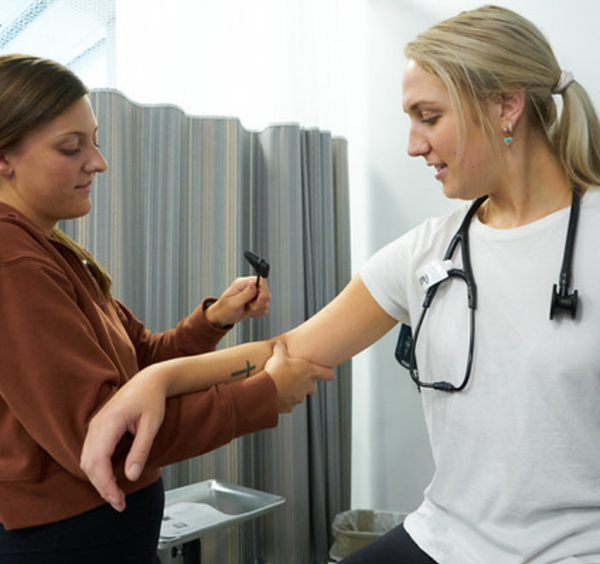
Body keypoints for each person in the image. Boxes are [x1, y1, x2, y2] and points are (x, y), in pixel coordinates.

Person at [81, 5, 600, 563]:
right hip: (445, 537)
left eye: (429, 116)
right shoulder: (427, 251)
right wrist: (154, 380)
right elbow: (288, 350)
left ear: (505, 105)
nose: (413, 144)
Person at [0, 54, 333, 564]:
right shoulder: (11, 261)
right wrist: (261, 395)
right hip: (65, 542)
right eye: (71, 148)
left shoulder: (53, 252)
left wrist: (214, 319)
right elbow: (106, 437)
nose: (98, 162)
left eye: (94, 141)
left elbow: (143, 363)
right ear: (4, 158)